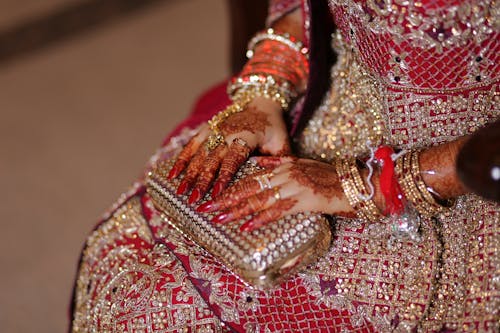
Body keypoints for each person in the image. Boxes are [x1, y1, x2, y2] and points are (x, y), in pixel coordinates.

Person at [70, 0, 499, 332]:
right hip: (335, 110)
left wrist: (363, 184)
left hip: (465, 183)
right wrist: (264, 88)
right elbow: (311, 8)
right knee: (126, 265)